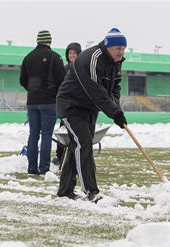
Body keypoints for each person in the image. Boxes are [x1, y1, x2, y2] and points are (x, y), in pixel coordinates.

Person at [55, 28, 128, 202]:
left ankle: (65, 190)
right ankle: (91, 191)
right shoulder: (92, 58)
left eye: (123, 48)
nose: (121, 52)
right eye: (118, 48)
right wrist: (114, 112)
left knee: (77, 147)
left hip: (89, 108)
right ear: (108, 46)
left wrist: (116, 108)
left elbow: (114, 88)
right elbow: (95, 90)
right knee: (83, 143)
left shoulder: (116, 62)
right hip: (71, 105)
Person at [19, 30, 66, 174]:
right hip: (49, 101)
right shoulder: (55, 57)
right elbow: (62, 80)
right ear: (49, 41)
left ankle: (31, 168)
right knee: (46, 134)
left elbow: (22, 80)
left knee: (33, 134)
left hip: (32, 102)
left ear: (37, 41)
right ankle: (44, 167)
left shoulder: (28, 58)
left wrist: (33, 91)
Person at [53, 42, 82, 166]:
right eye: (70, 53)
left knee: (78, 134)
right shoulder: (64, 69)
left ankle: (76, 157)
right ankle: (59, 156)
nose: (72, 55)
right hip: (65, 106)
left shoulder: (82, 69)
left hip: (78, 106)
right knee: (63, 132)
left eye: (74, 53)